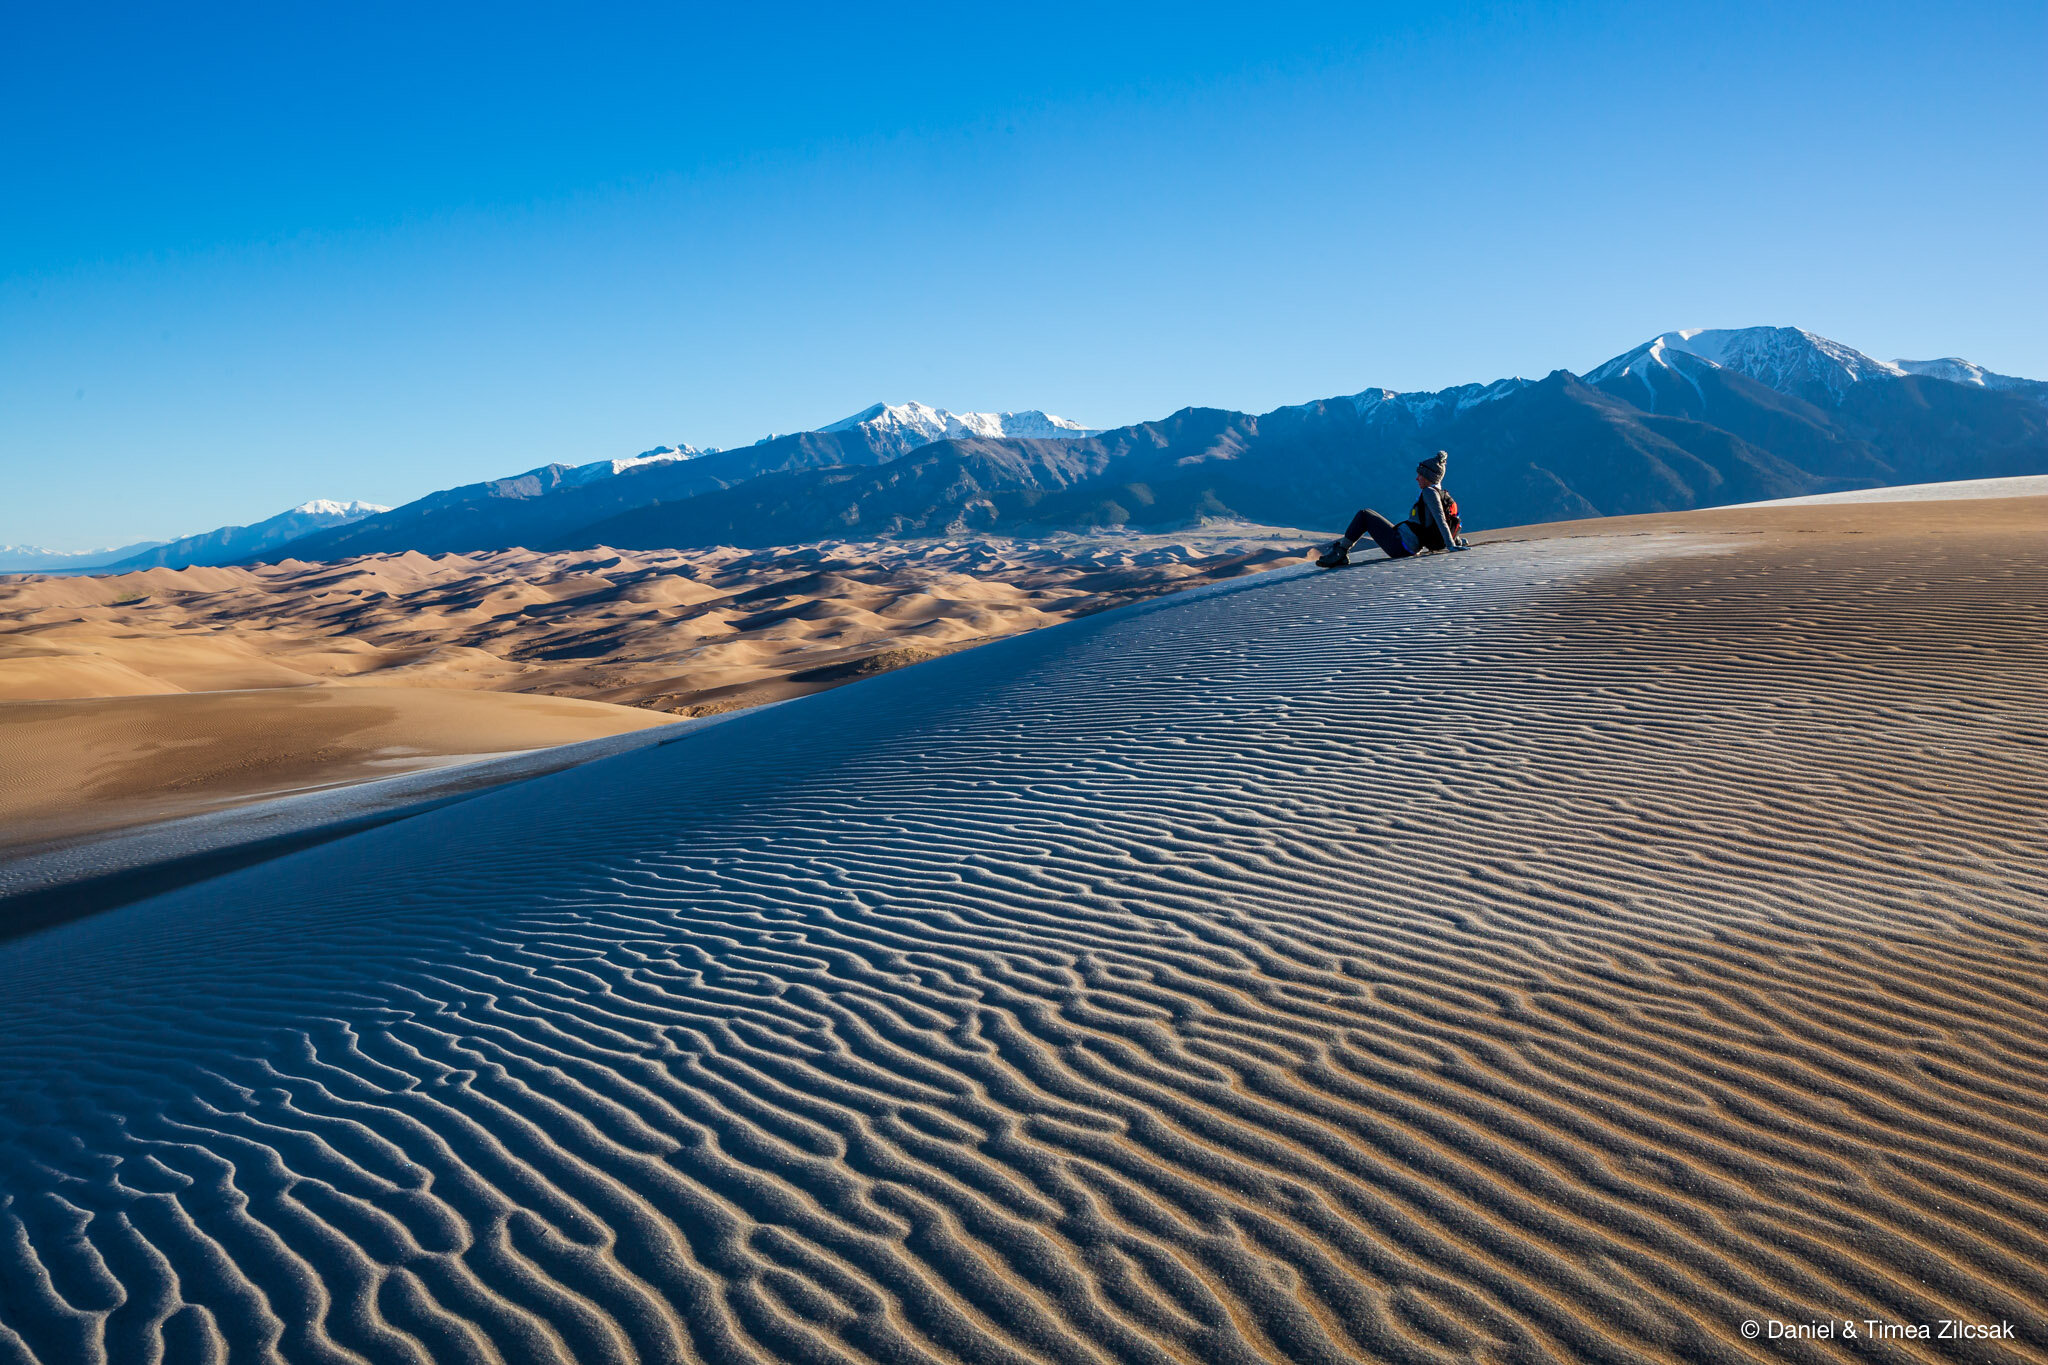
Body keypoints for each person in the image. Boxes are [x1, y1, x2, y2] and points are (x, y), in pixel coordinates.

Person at [1317, 451, 1468, 567]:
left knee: (1364, 515)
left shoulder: (1429, 492)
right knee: (1368, 513)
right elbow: (1442, 521)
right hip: (1404, 543)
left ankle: (1340, 552)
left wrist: (1451, 545)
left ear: (1428, 477)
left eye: (1420, 475)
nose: (1417, 478)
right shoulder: (1442, 494)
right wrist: (1457, 541)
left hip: (1400, 546)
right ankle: (1340, 552)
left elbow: (1440, 518)